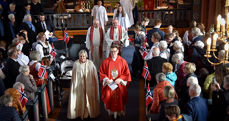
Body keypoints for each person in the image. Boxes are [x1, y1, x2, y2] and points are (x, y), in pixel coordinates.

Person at [99, 43, 131, 120]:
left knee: (120, 100)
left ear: (118, 51)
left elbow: (126, 73)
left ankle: (119, 115)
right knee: (109, 99)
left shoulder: (123, 61)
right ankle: (111, 115)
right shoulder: (106, 62)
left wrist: (120, 79)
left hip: (119, 85)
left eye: (114, 51)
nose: (113, 53)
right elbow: (102, 73)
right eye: (111, 51)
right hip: (109, 86)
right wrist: (106, 79)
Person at [67, 50, 100, 119]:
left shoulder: (91, 64)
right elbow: (74, 77)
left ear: (86, 56)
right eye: (81, 56)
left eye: (84, 56)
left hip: (89, 85)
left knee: (88, 98)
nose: (82, 58)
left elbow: (95, 76)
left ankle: (88, 112)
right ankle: (78, 112)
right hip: (79, 86)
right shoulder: (76, 64)